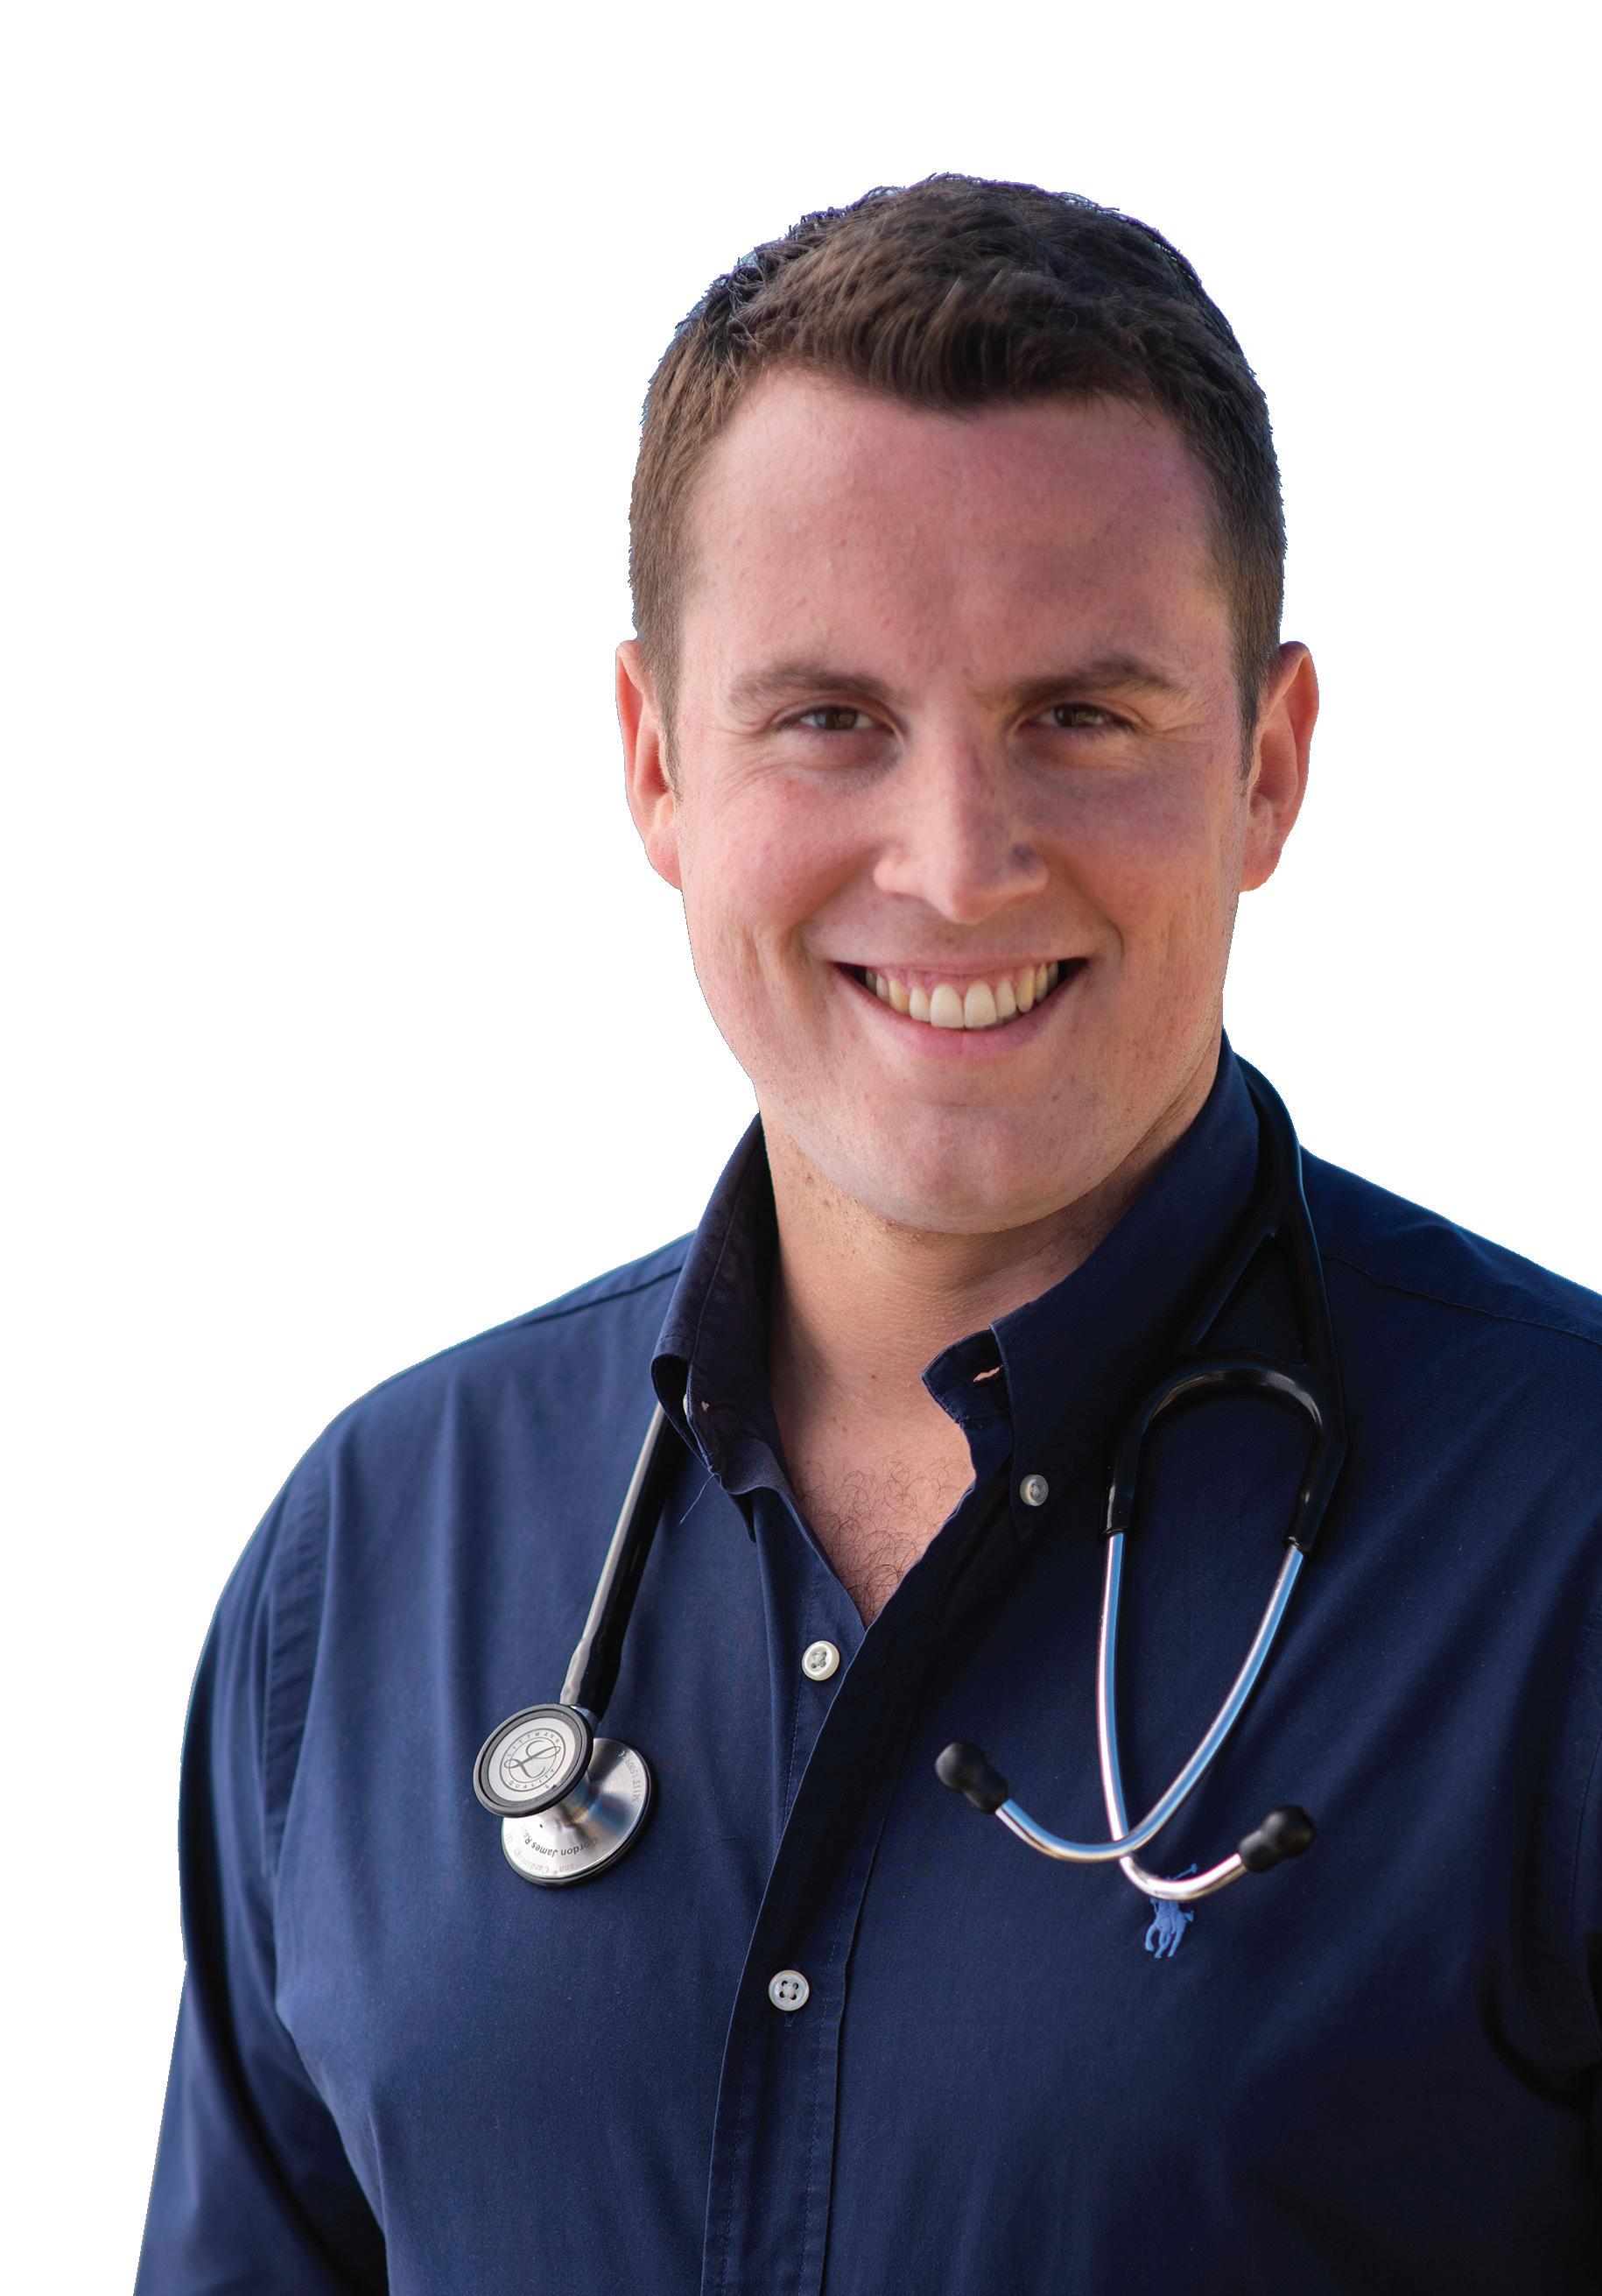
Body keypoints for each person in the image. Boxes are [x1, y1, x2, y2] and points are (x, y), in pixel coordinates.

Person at [136, 176, 1602, 2294]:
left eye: (1079, 716)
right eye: (831, 720)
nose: (955, 860)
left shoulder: (1563, 1546)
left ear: (1270, 771)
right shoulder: (367, 1565)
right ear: (657, 764)